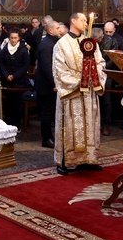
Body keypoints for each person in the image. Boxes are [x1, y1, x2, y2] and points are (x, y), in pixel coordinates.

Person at [53, 13, 106, 174]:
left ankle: (89, 159)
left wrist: (93, 76)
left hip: (89, 91)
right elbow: (58, 70)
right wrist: (79, 80)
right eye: (83, 20)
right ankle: (65, 160)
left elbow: (100, 62)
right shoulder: (61, 44)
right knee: (70, 126)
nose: (86, 23)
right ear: (73, 21)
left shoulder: (90, 43)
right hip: (72, 92)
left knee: (90, 124)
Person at [34, 19, 61, 148]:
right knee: (46, 112)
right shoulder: (46, 44)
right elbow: (46, 66)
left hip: (48, 83)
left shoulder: (52, 42)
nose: (59, 30)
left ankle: (50, 137)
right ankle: (46, 139)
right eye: (57, 28)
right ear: (50, 30)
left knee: (49, 112)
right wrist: (55, 83)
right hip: (46, 85)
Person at [0, 30, 30, 125]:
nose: (13, 40)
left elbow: (25, 66)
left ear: (19, 38)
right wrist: (6, 75)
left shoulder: (23, 50)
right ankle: (7, 124)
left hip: (19, 82)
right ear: (9, 38)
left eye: (15, 38)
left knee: (17, 104)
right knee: (7, 103)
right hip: (6, 81)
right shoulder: (5, 49)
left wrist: (14, 76)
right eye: (12, 38)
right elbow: (1, 63)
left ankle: (16, 125)